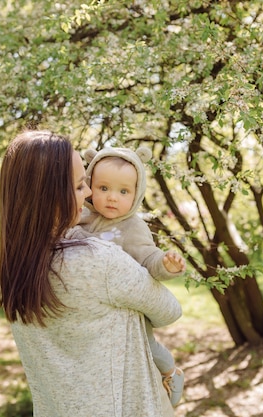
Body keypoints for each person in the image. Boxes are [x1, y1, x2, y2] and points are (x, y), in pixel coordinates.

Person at [0, 130, 182, 417]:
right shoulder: (98, 260)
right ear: (53, 195)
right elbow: (169, 310)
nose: (89, 193)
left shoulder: (14, 262)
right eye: (80, 185)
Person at [77, 146, 186, 406]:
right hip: (94, 309)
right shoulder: (81, 218)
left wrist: (165, 264)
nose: (112, 198)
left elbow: (148, 258)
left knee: (146, 345)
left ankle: (170, 371)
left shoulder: (132, 226)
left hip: (129, 309)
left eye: (123, 191)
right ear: (90, 185)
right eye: (104, 188)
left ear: (136, 194)